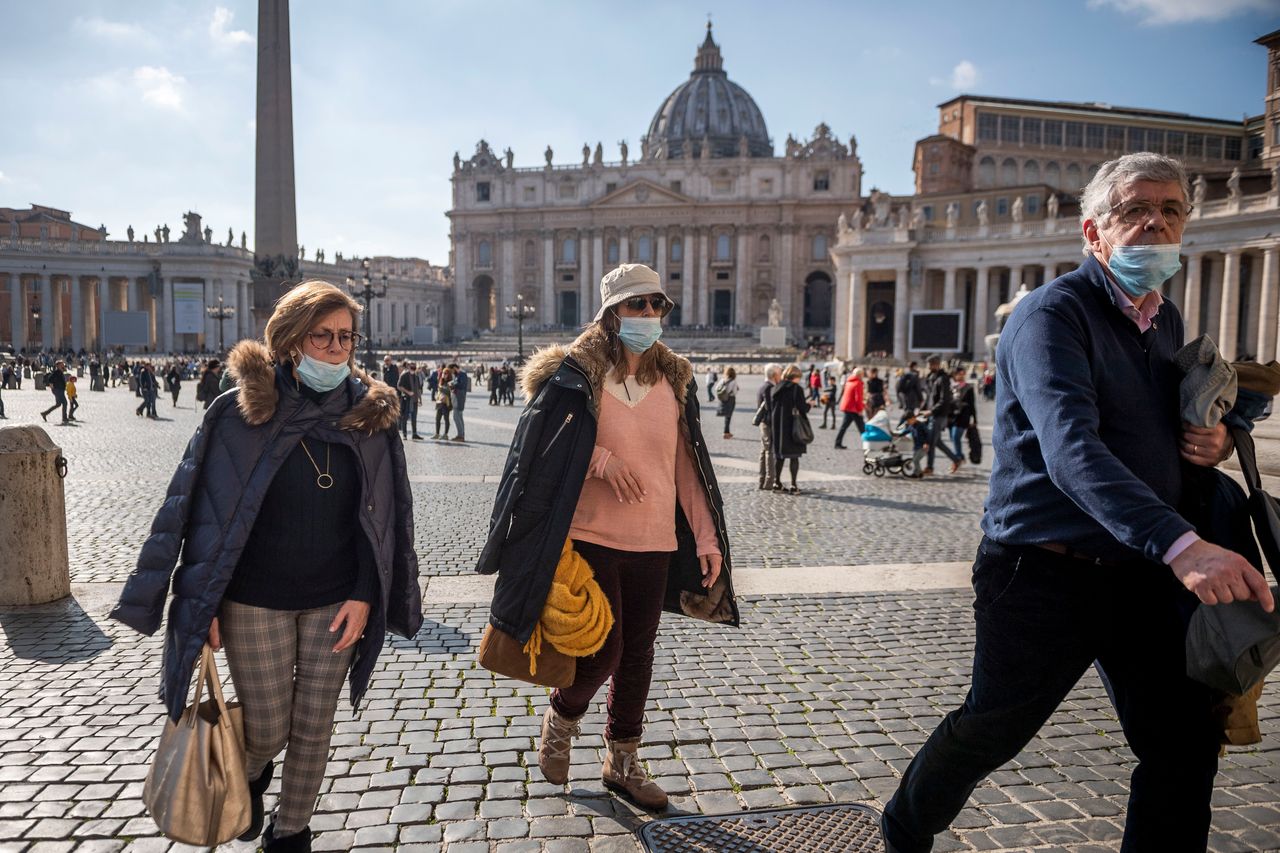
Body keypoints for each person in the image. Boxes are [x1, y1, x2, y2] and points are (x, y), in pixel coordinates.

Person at [880, 153, 1274, 853]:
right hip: (1043, 571)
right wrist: (1185, 545)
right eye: (1134, 210)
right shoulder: (1049, 316)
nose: (1155, 221)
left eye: (1171, 210)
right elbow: (1073, 452)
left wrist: (1209, 438)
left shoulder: (1166, 318)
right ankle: (904, 824)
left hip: (1143, 570)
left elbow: (1152, 427)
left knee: (1183, 742)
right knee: (992, 726)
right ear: (1093, 233)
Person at [111, 280, 423, 852]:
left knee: (314, 728)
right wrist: (198, 601)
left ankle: (290, 834)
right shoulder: (236, 413)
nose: (335, 349)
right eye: (321, 336)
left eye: (345, 338)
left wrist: (365, 592)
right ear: (289, 340)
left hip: (336, 599)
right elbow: (195, 512)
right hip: (252, 600)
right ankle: (251, 774)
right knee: (269, 727)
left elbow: (382, 520)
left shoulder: (371, 417)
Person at [478, 263, 736, 812]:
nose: (647, 315)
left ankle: (622, 763)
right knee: (602, 648)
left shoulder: (674, 381)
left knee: (639, 655)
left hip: (655, 540)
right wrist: (597, 458)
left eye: (655, 306)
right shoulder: (577, 375)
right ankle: (562, 716)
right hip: (589, 536)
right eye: (636, 305)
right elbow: (542, 447)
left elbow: (686, 468)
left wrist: (708, 539)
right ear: (611, 312)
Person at [769, 365, 810, 493]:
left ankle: (777, 482)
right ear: (795, 376)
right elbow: (802, 408)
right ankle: (793, 485)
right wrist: (810, 404)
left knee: (779, 456)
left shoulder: (775, 388)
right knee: (794, 457)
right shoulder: (796, 389)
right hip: (792, 427)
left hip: (778, 427)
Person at [920, 355, 963, 475]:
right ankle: (956, 459)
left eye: (930, 364)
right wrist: (921, 410)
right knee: (937, 441)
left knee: (931, 441)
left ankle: (929, 467)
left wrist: (932, 411)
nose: (928, 366)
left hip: (939, 415)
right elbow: (929, 397)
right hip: (931, 414)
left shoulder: (943, 379)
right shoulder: (930, 378)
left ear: (936, 364)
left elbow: (945, 399)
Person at [754, 364, 781, 490]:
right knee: (769, 451)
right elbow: (771, 409)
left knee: (764, 451)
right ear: (774, 375)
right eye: (779, 373)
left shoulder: (762, 387)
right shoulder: (770, 388)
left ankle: (762, 480)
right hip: (769, 424)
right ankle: (769, 481)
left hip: (763, 423)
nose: (780, 376)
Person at [833, 367, 865, 450]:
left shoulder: (849, 381)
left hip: (847, 407)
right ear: (860, 375)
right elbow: (858, 398)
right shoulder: (858, 383)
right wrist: (860, 409)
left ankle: (837, 443)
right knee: (862, 427)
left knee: (844, 426)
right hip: (853, 408)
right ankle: (868, 444)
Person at [949, 367, 976, 462]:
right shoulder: (951, 387)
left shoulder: (968, 387)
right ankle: (960, 456)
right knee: (952, 437)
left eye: (962, 374)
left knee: (956, 436)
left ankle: (958, 457)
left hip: (964, 415)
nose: (961, 376)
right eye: (959, 374)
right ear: (954, 375)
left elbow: (972, 404)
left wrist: (974, 420)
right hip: (952, 417)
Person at [398, 362, 422, 440]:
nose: (413, 368)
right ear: (408, 367)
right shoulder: (404, 375)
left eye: (414, 367)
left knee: (414, 418)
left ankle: (414, 434)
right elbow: (399, 386)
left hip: (414, 400)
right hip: (406, 399)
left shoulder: (416, 377)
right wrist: (408, 392)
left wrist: (420, 399)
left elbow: (418, 389)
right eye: (412, 367)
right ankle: (404, 434)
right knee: (405, 417)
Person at [40, 359, 69, 423]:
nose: (63, 365)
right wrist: (52, 388)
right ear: (58, 366)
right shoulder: (56, 372)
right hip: (58, 390)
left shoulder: (60, 371)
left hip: (60, 390)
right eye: (62, 364)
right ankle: (64, 418)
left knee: (58, 404)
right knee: (65, 403)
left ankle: (45, 413)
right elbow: (50, 379)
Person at [715, 366, 738, 439]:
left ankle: (727, 431)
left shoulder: (723, 380)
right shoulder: (733, 381)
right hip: (731, 399)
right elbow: (734, 392)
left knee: (727, 416)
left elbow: (716, 388)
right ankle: (726, 432)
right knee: (728, 417)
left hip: (724, 399)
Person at [449, 362, 469, 441]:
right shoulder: (457, 375)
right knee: (459, 417)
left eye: (451, 370)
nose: (451, 372)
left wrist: (453, 384)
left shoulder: (462, 374)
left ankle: (460, 435)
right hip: (456, 398)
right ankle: (461, 434)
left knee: (456, 417)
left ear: (454, 368)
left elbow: (462, 385)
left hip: (459, 398)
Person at [433, 366, 454, 439]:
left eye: (445, 373)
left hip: (446, 403)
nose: (444, 375)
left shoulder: (451, 382)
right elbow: (439, 391)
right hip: (439, 402)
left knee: (446, 419)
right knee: (437, 418)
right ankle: (437, 434)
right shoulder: (441, 381)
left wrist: (441, 389)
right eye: (443, 373)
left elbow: (450, 391)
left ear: (449, 375)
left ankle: (445, 434)